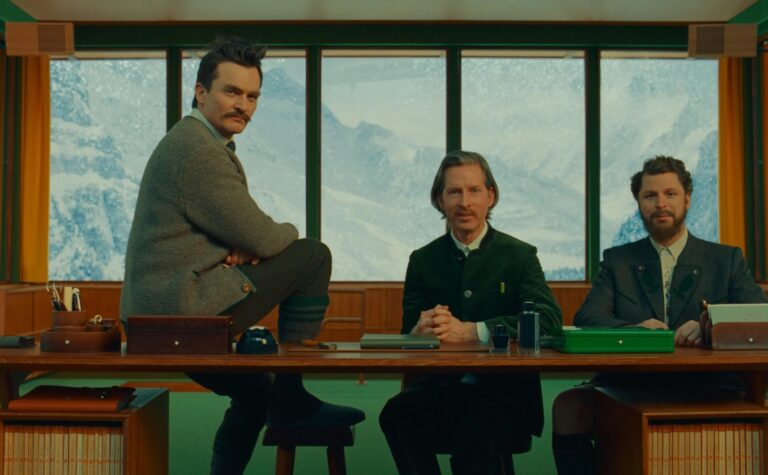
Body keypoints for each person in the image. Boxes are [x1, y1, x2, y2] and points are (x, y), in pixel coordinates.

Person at [119, 37, 364, 475]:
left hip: (156, 312)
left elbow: (230, 236)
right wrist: (265, 240)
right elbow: (265, 238)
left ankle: (272, 414)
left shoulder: (191, 142)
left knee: (255, 391)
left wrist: (238, 248)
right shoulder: (199, 149)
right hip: (179, 313)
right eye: (232, 92)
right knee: (312, 254)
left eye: (252, 96)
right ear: (200, 92)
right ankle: (292, 400)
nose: (244, 106)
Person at [550, 156, 768, 475]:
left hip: (709, 383)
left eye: (670, 194)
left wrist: (709, 326)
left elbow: (760, 318)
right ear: (639, 203)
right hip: (627, 382)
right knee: (568, 405)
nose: (661, 203)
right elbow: (588, 318)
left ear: (687, 199)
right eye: (650, 195)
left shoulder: (726, 259)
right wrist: (635, 329)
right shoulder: (617, 261)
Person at [378, 150, 562, 475]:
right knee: (396, 414)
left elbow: (548, 322)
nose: (465, 202)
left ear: (490, 196)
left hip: (505, 394)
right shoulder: (423, 260)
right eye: (454, 192)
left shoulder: (520, 256)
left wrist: (472, 331)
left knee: (474, 434)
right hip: (442, 388)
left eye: (474, 191)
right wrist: (418, 333)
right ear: (440, 200)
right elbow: (407, 335)